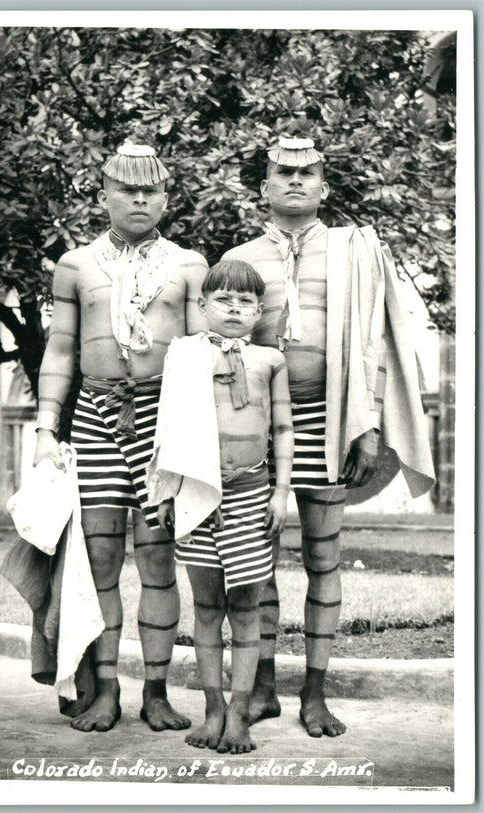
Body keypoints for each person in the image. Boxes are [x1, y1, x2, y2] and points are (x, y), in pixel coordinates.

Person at [222, 136, 435, 737]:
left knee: (323, 558)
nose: (294, 181)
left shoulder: (356, 252)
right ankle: (261, 687)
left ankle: (314, 694)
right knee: (255, 562)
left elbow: (376, 340)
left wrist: (365, 427)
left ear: (323, 186)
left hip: (331, 419)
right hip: (254, 426)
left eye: (306, 172)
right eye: (282, 173)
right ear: (264, 187)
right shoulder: (239, 258)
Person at [33, 141, 208, 732]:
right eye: (127, 190)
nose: (139, 199)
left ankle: (155, 692)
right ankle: (105, 690)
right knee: (100, 558)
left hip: (165, 420)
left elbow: (202, 355)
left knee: (159, 559)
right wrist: (44, 431)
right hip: (96, 417)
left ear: (165, 198)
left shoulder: (188, 265)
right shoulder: (76, 265)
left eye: (151, 190)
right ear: (104, 194)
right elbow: (60, 351)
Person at [146, 260, 294, 754]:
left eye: (246, 301)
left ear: (259, 312)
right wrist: (165, 491)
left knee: (246, 609)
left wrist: (281, 491)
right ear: (203, 306)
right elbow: (166, 427)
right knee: (207, 607)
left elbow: (282, 431)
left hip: (252, 494)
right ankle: (212, 709)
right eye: (224, 300)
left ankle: (239, 714)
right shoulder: (185, 356)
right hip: (195, 493)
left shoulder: (270, 360)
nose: (234, 308)